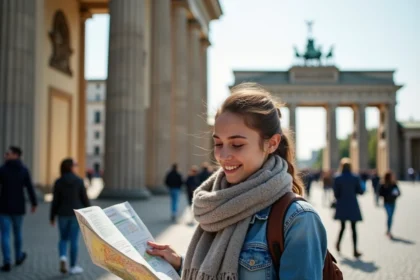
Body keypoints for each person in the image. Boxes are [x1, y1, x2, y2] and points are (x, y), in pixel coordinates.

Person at [147, 83, 327, 279]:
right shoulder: (217, 205)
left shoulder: (298, 220)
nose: (223, 156)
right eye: (218, 143)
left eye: (237, 144)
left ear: (272, 143)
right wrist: (181, 264)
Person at [50, 158, 91, 274]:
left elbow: (55, 201)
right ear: (71, 167)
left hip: (62, 214)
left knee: (63, 238)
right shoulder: (78, 181)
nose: (77, 167)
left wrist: (52, 217)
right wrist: (90, 213)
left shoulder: (58, 181)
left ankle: (63, 257)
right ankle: (73, 267)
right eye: (75, 165)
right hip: (75, 214)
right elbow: (85, 199)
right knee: (74, 240)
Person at [0, 146, 37, 272]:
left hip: (4, 206)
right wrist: (34, 203)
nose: (5, 155)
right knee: (17, 233)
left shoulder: (3, 169)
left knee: (5, 234)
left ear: (16, 154)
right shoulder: (23, 169)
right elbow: (30, 188)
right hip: (18, 207)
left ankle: (7, 261)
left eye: (8, 153)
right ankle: (18, 257)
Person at [333, 158, 364, 258]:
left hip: (342, 205)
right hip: (352, 205)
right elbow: (360, 191)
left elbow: (336, 194)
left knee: (342, 227)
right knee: (354, 228)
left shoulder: (337, 178)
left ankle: (338, 243)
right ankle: (355, 250)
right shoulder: (355, 177)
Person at [379, 171, 401, 239]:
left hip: (393, 202)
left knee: (390, 217)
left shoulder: (394, 184)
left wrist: (395, 194)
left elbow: (399, 193)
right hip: (387, 202)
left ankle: (388, 230)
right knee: (389, 216)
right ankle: (389, 230)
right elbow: (380, 193)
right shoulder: (383, 184)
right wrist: (387, 194)